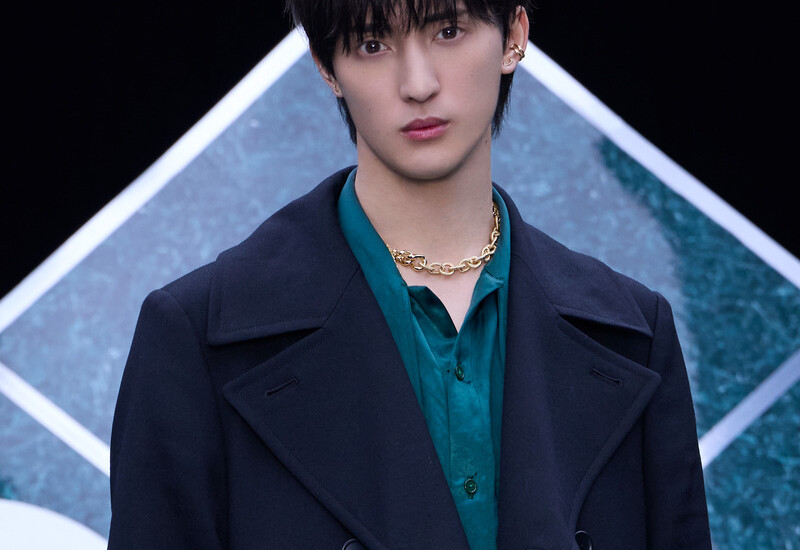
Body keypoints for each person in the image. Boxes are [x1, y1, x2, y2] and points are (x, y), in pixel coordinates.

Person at [108, 0, 712, 548]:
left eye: (448, 31)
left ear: (514, 36)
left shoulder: (633, 334)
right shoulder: (197, 338)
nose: (417, 84)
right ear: (326, 66)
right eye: (373, 44)